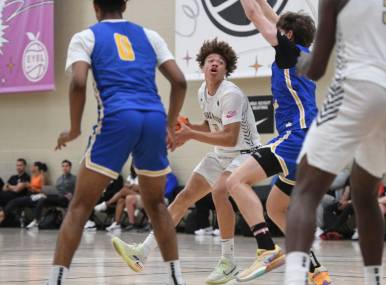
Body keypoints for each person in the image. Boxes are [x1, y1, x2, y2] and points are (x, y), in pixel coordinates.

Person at [46, 0, 187, 284]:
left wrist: (74, 128)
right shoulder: (150, 35)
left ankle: (55, 280)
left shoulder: (85, 37)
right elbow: (180, 82)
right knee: (157, 205)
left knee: (79, 206)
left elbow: (77, 83)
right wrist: (169, 126)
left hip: (118, 117)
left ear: (95, 7)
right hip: (153, 117)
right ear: (124, 4)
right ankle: (176, 279)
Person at [284, 0, 386, 284]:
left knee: (305, 191)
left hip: (356, 87)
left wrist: (304, 61)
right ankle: (375, 280)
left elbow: (318, 68)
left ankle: (294, 279)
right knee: (364, 194)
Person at [110, 38, 262, 285]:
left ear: (226, 69)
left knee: (219, 192)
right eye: (210, 60)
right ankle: (143, 252)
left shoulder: (231, 94)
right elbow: (213, 127)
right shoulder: (203, 91)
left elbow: (230, 136)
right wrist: (190, 127)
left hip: (246, 154)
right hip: (222, 155)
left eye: (220, 62)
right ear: (203, 66)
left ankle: (229, 262)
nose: (215, 63)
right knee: (183, 198)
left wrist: (191, 134)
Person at [226, 1, 330, 283]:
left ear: (288, 36)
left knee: (234, 182)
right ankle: (316, 271)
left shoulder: (288, 53)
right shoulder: (305, 52)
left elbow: (254, 15)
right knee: (275, 208)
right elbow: (274, 17)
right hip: (311, 143)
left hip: (295, 137)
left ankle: (266, 248)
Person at [26, 160, 77, 229]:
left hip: (66, 199)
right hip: (57, 196)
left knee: (61, 198)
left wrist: (71, 195)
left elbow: (77, 191)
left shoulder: (74, 178)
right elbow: (56, 189)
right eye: (63, 166)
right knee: (42, 199)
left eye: (66, 166)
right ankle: (36, 221)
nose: (65, 168)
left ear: (70, 167)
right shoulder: (59, 179)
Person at [94, 166, 140, 231]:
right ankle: (117, 224)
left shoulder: (143, 175)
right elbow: (126, 185)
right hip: (131, 196)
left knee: (124, 190)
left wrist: (130, 186)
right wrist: (132, 187)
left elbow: (140, 188)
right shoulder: (131, 176)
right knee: (121, 200)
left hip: (142, 196)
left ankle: (107, 204)